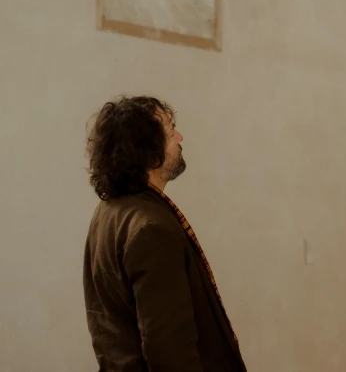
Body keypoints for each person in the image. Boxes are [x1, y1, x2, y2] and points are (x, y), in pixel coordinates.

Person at [83, 96, 247, 371]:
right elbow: (170, 353)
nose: (180, 137)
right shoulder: (150, 230)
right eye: (171, 132)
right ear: (147, 152)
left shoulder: (108, 212)